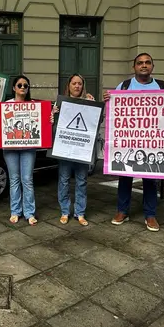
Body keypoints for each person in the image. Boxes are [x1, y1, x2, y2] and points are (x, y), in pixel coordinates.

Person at [103, 52, 164, 231]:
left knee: (150, 177)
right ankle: (122, 211)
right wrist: (108, 100)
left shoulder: (163, 86)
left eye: (148, 62)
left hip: (152, 140)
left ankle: (150, 214)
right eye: (140, 63)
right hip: (128, 140)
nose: (144, 65)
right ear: (134, 67)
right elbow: (114, 111)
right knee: (124, 176)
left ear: (152, 66)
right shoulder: (124, 86)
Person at [54, 74, 95, 226]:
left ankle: (80, 213)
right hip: (64, 148)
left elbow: (97, 121)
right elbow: (53, 124)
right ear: (69, 85)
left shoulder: (89, 102)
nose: (77, 86)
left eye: (80, 84)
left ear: (83, 86)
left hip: (82, 149)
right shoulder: (60, 103)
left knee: (81, 181)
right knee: (64, 181)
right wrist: (54, 114)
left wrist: (94, 106)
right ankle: (65, 211)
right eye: (74, 83)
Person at [4, 75, 38, 225]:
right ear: (14, 88)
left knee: (27, 180)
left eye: (25, 85)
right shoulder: (6, 105)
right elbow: (0, 123)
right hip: (10, 147)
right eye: (20, 85)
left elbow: (40, 123)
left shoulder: (33, 105)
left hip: (28, 147)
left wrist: (49, 119)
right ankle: (15, 211)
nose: (23, 87)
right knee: (14, 179)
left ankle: (29, 212)